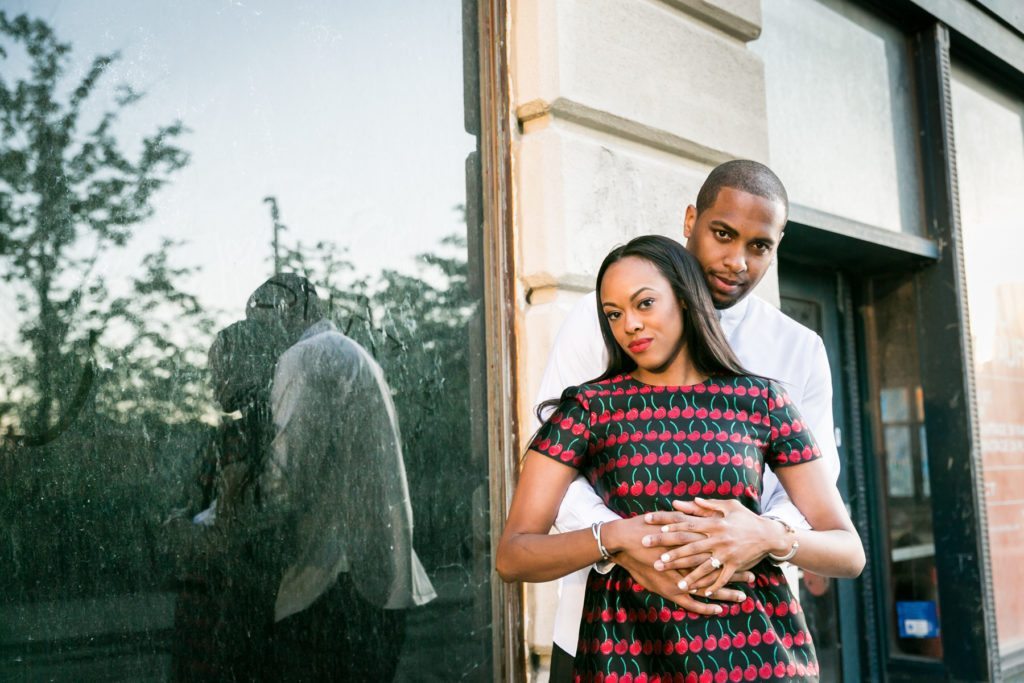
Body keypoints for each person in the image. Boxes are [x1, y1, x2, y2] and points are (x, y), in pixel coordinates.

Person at [496, 236, 864, 680]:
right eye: (614, 314)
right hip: (628, 656)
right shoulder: (589, 408)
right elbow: (513, 556)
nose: (629, 324)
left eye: (644, 303)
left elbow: (849, 552)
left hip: (757, 656)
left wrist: (769, 536)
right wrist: (613, 537)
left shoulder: (762, 401)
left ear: (687, 301)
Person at [245, 274, 436, 680]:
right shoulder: (353, 354)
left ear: (287, 311)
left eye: (259, 323)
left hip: (334, 584)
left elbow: (285, 478)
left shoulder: (304, 357)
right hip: (375, 577)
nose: (257, 339)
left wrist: (221, 513)